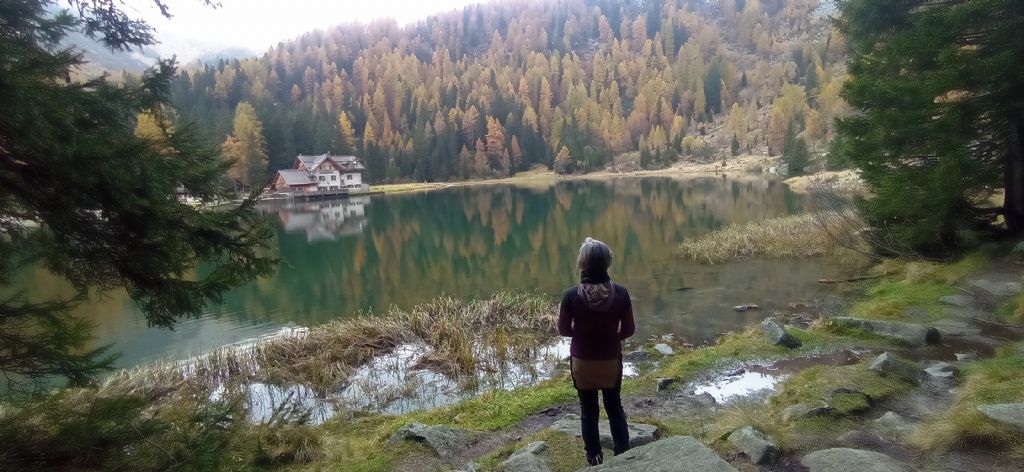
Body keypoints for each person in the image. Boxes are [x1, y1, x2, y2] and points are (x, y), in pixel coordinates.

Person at [558, 237, 635, 466]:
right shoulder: (621, 294)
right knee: (614, 406)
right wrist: (611, 336)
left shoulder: (570, 296)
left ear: (582, 264)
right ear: (607, 263)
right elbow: (629, 329)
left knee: (588, 411)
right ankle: (623, 455)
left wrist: (583, 334)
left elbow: (563, 330)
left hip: (582, 362)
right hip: (611, 360)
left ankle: (594, 459)